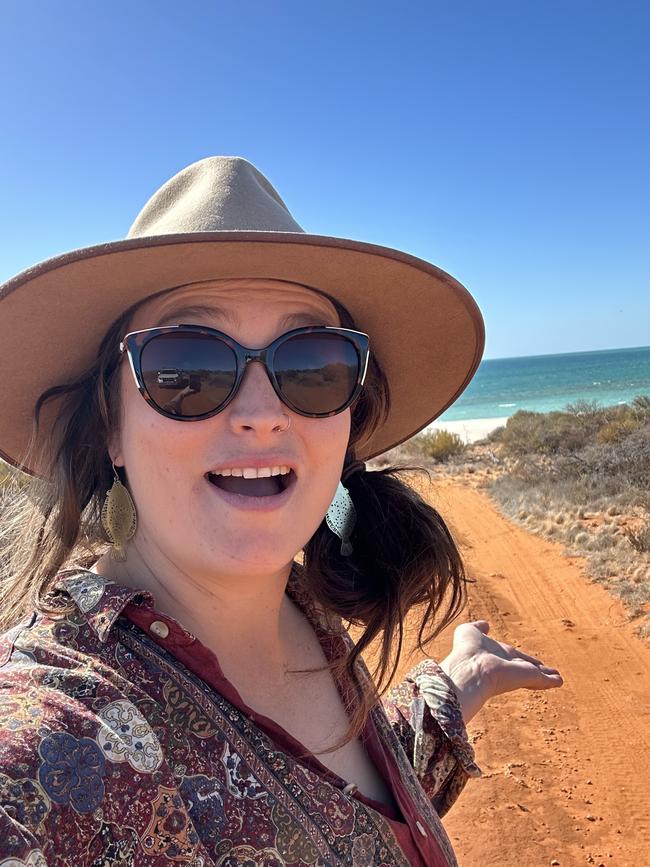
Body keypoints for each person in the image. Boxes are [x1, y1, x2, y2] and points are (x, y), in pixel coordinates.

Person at [0, 156, 563, 866]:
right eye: (187, 367)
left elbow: (328, 819)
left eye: (311, 365)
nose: (263, 415)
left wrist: (455, 684)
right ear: (111, 423)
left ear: (348, 415)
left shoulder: (305, 612)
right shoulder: (48, 746)